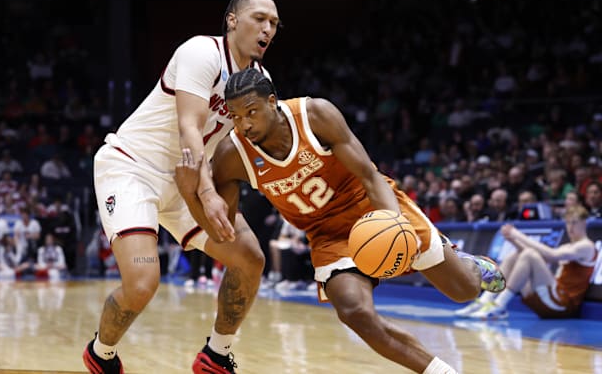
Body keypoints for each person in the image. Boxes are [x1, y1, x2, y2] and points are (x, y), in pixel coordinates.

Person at [174, 68, 506, 374]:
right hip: (326, 234)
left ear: (272, 102)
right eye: (236, 117)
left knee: (463, 290)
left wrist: (392, 222)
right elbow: (223, 232)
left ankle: (471, 265)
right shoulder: (233, 155)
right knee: (353, 312)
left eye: (251, 112)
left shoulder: (314, 115)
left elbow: (369, 176)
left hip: (371, 209)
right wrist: (191, 193)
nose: (244, 124)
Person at [84, 0, 280, 374]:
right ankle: (100, 353)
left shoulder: (261, 80)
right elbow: (189, 125)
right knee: (142, 282)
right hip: (134, 168)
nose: (268, 29)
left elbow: (241, 150)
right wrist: (206, 193)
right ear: (233, 20)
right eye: (259, 18)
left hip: (188, 180)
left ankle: (216, 355)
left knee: (250, 259)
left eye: (274, 23)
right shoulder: (201, 52)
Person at [456, 205, 596, 319]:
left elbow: (552, 255)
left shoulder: (586, 246)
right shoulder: (568, 246)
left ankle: (499, 305)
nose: (570, 227)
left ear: (584, 223)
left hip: (564, 304)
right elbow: (543, 258)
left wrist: (518, 234)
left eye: (574, 222)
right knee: (515, 255)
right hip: (552, 298)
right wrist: (513, 241)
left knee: (529, 254)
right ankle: (486, 299)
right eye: (568, 222)